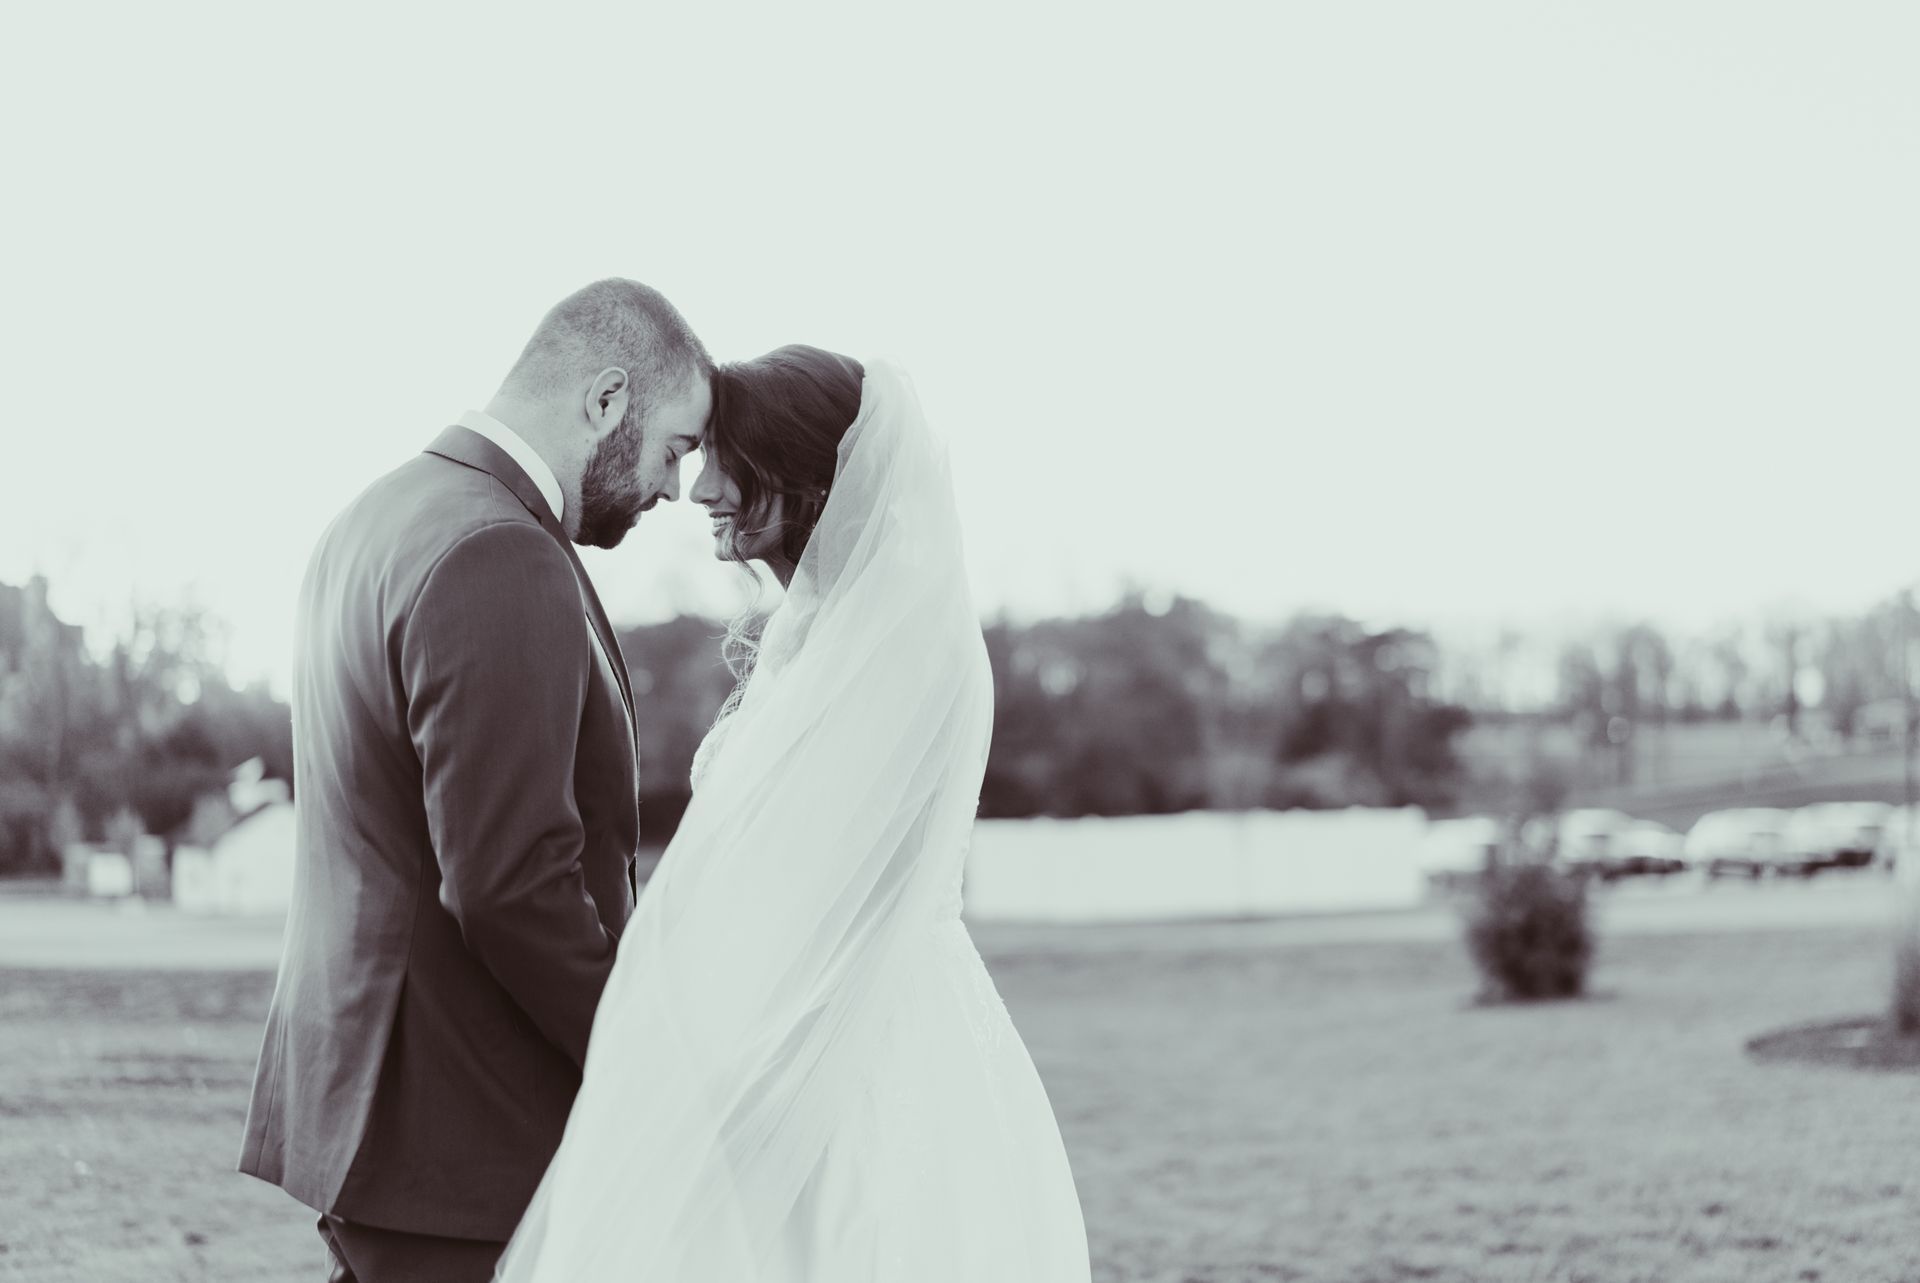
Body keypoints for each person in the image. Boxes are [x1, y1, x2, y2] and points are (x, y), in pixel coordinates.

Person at [493, 346, 1091, 1281]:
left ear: (810, 475)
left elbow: (832, 901)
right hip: (785, 1030)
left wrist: (708, 1084)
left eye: (727, 457)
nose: (701, 489)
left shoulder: (900, 653)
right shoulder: (821, 638)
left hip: (848, 1065)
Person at [238, 279, 712, 1283]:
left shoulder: (369, 518)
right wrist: (642, 1060)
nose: (678, 488)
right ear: (606, 399)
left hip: (370, 1106)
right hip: (463, 1124)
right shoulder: (500, 547)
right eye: (677, 446)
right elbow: (508, 882)